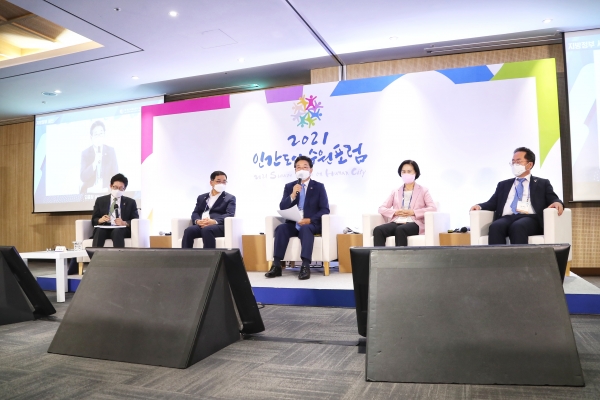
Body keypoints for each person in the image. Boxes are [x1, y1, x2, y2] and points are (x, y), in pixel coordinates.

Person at [470, 147, 564, 245]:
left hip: (530, 218)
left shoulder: (542, 183)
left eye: (518, 162)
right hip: (507, 217)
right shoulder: (503, 185)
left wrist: (557, 202)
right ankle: (497, 256)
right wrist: (479, 206)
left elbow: (553, 198)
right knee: (495, 226)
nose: (515, 165)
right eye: (513, 162)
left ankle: (519, 256)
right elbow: (492, 202)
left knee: (518, 226)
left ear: (529, 165)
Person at [265, 155, 330, 280]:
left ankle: (305, 266)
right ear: (295, 170)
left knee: (306, 229)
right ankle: (276, 265)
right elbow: (283, 207)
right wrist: (293, 195)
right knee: (281, 228)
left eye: (305, 167)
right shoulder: (289, 186)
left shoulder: (319, 187)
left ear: (311, 170)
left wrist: (310, 220)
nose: (301, 170)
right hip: (293, 223)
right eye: (298, 167)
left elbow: (325, 209)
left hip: (311, 224)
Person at [373, 160, 437, 246]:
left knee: (400, 229)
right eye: (403, 172)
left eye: (409, 171)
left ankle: (401, 255)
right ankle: (379, 255)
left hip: (414, 223)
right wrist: (395, 212)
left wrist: (413, 212)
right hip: (397, 221)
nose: (406, 174)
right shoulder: (395, 191)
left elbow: (433, 208)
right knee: (378, 230)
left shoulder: (423, 190)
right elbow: (381, 209)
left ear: (415, 173)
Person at [182, 171, 236, 248]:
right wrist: (198, 221)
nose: (221, 184)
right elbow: (195, 212)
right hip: (202, 224)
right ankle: (185, 255)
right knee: (189, 230)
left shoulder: (230, 198)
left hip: (218, 226)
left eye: (224, 181)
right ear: (211, 183)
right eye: (218, 181)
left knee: (207, 230)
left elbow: (230, 214)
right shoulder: (202, 197)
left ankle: (209, 255)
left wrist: (214, 221)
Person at [91, 173, 139, 248]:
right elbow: (94, 220)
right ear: (111, 186)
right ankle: (95, 255)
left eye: (121, 188)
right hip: (105, 227)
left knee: (117, 231)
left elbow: (135, 220)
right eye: (115, 187)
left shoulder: (131, 202)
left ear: (124, 189)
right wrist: (100, 220)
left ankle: (119, 256)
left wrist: (124, 223)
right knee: (99, 230)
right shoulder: (100, 200)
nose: (117, 190)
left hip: (121, 229)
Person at [80, 120, 119, 193]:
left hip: (106, 192)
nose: (99, 137)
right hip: (89, 193)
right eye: (96, 134)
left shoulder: (110, 151)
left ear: (104, 135)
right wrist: (94, 163)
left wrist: (108, 189)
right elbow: (83, 177)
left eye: (101, 134)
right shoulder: (85, 153)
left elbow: (115, 175)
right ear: (91, 137)